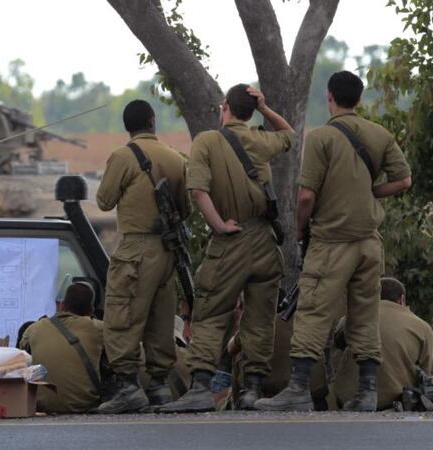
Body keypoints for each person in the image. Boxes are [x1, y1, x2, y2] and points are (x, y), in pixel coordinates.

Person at [255, 71, 412, 412]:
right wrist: (370, 192)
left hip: (331, 242)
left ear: (329, 97)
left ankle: (297, 389)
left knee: (311, 311)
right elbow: (403, 181)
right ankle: (368, 392)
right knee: (365, 314)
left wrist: (299, 229)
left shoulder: (321, 138)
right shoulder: (379, 134)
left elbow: (307, 196)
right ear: (358, 98)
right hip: (370, 244)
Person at [161, 85, 294, 413]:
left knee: (210, 313)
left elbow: (198, 191)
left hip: (231, 238)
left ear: (225, 108)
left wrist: (219, 225)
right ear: (250, 111)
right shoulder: (260, 140)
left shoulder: (207, 141)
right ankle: (251, 388)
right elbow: (289, 134)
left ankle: (201, 386)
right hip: (264, 240)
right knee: (260, 318)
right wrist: (264, 107)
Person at [95, 99, 190, 413]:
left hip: (134, 249)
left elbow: (104, 201)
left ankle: (127, 387)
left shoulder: (123, 157)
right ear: (152, 122)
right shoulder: (176, 159)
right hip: (167, 251)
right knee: (162, 317)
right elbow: (185, 210)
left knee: (122, 314)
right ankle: (159, 386)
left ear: (127, 126)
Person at [332, 278, 433, 410]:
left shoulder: (354, 316)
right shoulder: (422, 326)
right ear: (402, 299)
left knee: (341, 349)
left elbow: (336, 338)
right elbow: (428, 372)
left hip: (348, 398)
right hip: (396, 400)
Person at [19, 282, 104, 413]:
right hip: (84, 404)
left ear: (62, 305)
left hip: (38, 404)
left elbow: (21, 357)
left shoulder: (33, 328)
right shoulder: (99, 328)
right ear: (91, 311)